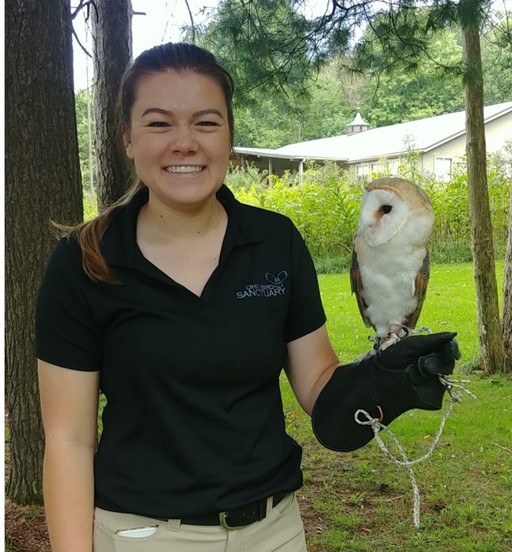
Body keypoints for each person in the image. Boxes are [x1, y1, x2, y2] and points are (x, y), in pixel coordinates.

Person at [36, 42, 459, 552]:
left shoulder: (274, 242)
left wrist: (387, 381)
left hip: (272, 532)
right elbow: (68, 442)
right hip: (140, 534)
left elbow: (320, 391)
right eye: (159, 123)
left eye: (206, 123)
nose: (185, 142)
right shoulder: (85, 261)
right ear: (128, 138)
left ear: (230, 139)